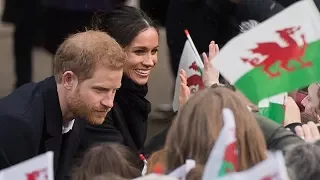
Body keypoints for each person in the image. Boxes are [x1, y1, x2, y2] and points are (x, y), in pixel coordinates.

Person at [0, 30, 126, 179]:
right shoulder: (18, 125)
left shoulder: (79, 107)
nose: (109, 102)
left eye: (114, 90)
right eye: (100, 90)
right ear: (68, 80)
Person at [77, 6, 159, 154]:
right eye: (139, 51)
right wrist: (183, 120)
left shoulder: (134, 94)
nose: (150, 61)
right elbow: (126, 164)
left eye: (154, 51)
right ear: (111, 51)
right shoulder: (96, 103)